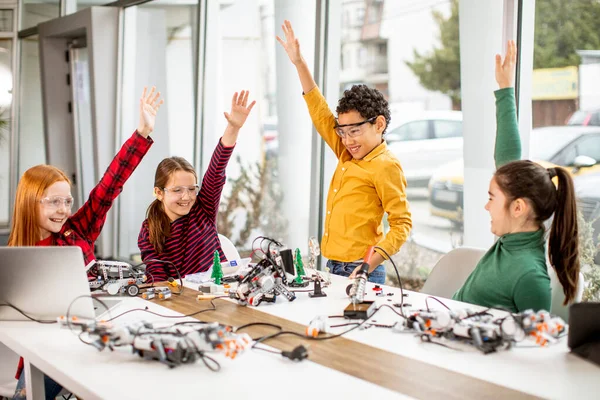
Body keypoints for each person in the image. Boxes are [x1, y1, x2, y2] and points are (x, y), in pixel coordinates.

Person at [9, 86, 163, 399]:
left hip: (90, 339)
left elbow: (109, 186)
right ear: (30, 203)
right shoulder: (13, 259)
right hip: (45, 350)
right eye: (54, 202)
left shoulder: (76, 231)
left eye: (67, 200)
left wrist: (142, 132)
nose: (64, 210)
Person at [276, 20, 412, 284]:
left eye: (355, 131)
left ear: (379, 124)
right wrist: (299, 63)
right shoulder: (348, 153)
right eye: (343, 131)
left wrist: (369, 264)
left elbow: (402, 224)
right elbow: (319, 111)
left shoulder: (385, 165)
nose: (348, 139)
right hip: (332, 265)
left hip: (361, 270)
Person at [453, 41, 580, 313]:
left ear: (518, 207)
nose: (486, 205)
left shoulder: (529, 277)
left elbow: (533, 349)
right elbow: (508, 156)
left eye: (491, 198)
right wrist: (505, 89)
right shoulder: (512, 241)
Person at [138, 90, 255, 281]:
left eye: (192, 189)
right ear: (158, 193)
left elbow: (216, 170)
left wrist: (233, 128)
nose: (187, 197)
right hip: (186, 303)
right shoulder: (149, 231)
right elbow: (158, 282)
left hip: (224, 292)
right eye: (177, 190)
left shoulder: (203, 207)